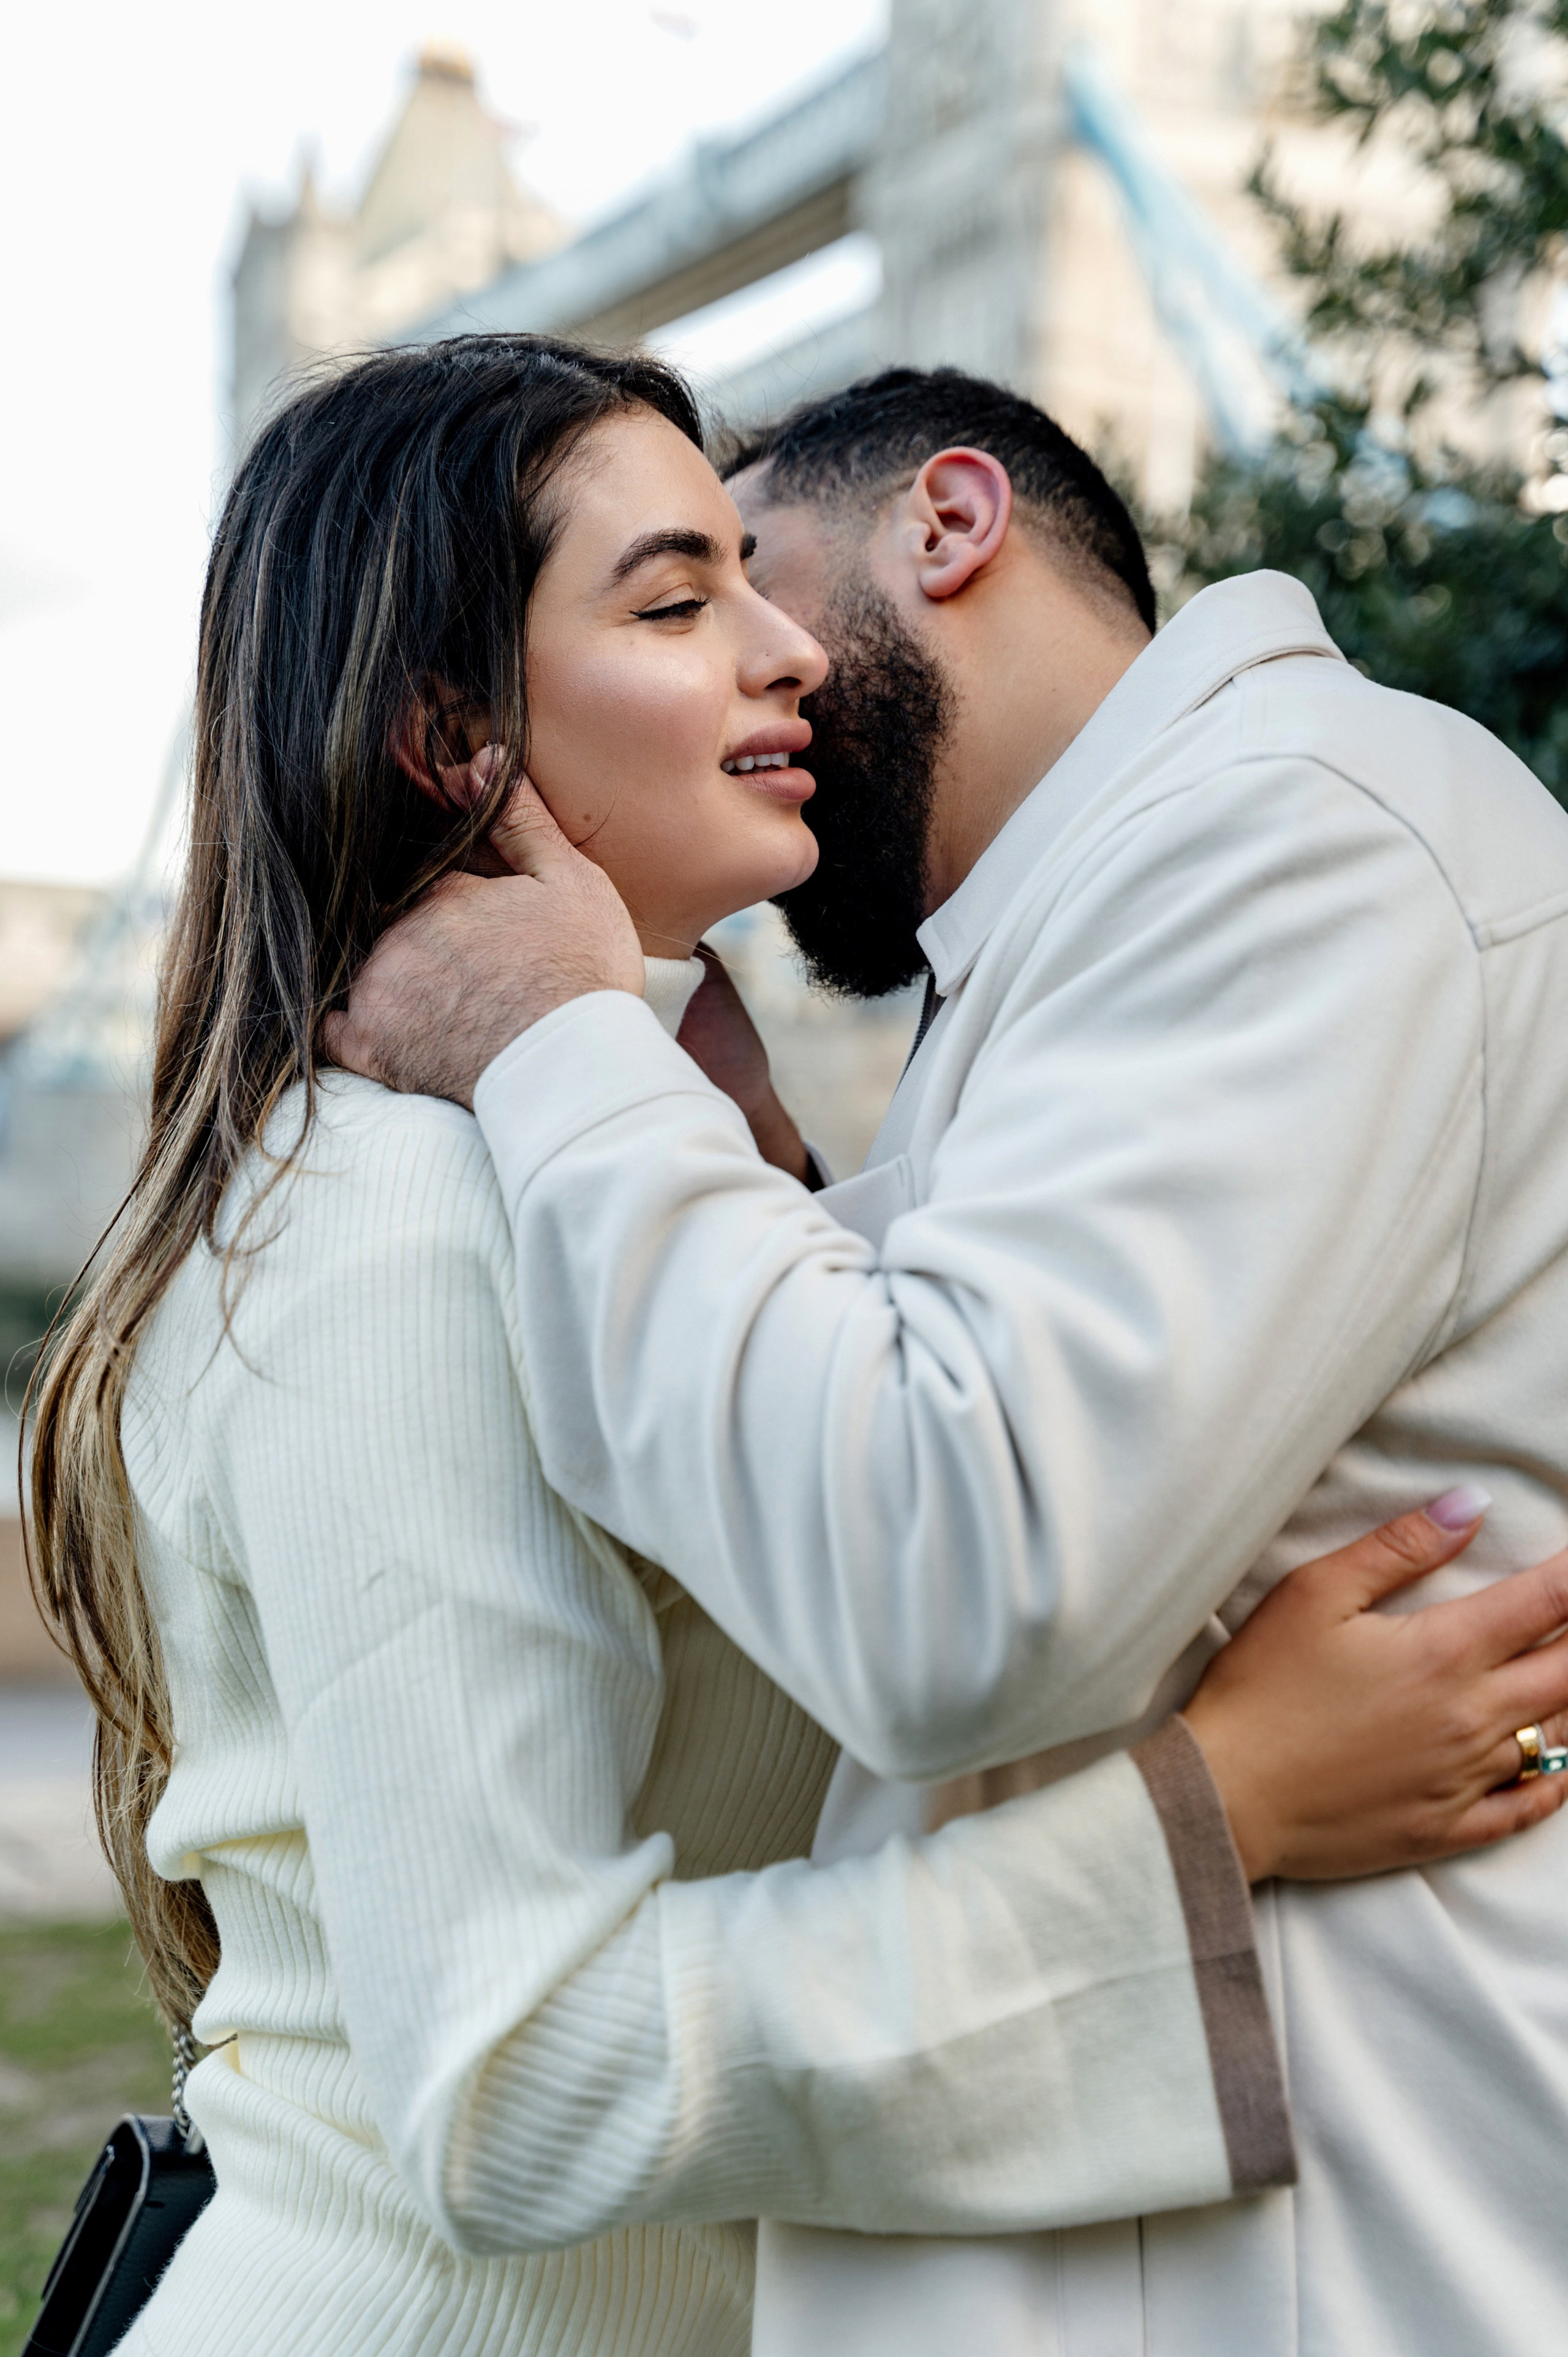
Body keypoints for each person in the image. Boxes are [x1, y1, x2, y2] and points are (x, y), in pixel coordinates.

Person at [329, 360, 1568, 2355]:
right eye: (674, 600)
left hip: (1335, 2252)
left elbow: (953, 1577)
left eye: (758, 570)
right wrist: (759, 1180)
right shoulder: (1098, 925)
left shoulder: (1292, 832)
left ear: (950, 520)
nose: (759, 662)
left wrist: (568, 1053)